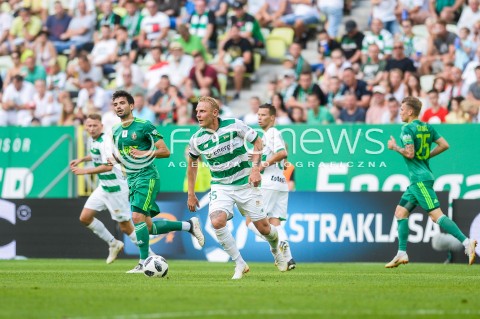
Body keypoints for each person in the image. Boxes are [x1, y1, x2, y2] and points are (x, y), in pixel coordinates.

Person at [187, 96, 288, 280]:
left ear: (215, 113)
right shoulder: (197, 139)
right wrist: (191, 194)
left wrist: (256, 169)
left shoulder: (234, 125)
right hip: (221, 186)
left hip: (246, 185)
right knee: (217, 221)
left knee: (265, 229)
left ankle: (275, 249)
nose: (198, 115)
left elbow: (258, 142)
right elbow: (192, 165)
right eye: (197, 112)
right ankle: (239, 263)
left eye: (202, 111)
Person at [110, 90, 205, 273]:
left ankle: (143, 261)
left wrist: (144, 153)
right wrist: (117, 160)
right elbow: (126, 155)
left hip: (147, 177)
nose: (118, 107)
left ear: (131, 106)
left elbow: (165, 151)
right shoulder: (115, 131)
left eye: (122, 103)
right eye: (115, 104)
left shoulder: (144, 125)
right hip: (132, 179)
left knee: (136, 217)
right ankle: (189, 225)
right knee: (148, 227)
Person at [385, 96, 477, 268]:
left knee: (436, 216)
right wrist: (427, 155)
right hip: (418, 180)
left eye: (402, 109)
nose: (400, 112)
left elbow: (410, 154)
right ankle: (401, 253)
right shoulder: (427, 127)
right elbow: (444, 145)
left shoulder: (406, 129)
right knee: (400, 213)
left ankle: (467, 243)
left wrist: (395, 147)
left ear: (410, 111)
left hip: (420, 180)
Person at [69, 113, 148, 264]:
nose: (91, 129)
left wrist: (84, 170)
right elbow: (97, 156)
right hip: (103, 187)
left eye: (95, 126)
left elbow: (107, 166)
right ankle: (113, 243)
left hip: (116, 189)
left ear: (101, 126)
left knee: (126, 227)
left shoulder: (106, 141)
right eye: (89, 126)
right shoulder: (93, 140)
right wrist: (82, 159)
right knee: (85, 218)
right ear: (86, 127)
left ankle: (150, 255)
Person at [245, 103, 296, 270]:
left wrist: (262, 165)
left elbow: (282, 153)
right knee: (275, 223)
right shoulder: (267, 136)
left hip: (268, 184)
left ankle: (280, 244)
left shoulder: (272, 132)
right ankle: (288, 258)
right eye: (258, 114)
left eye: (264, 115)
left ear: (272, 117)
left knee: (250, 221)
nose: (259, 117)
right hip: (280, 183)